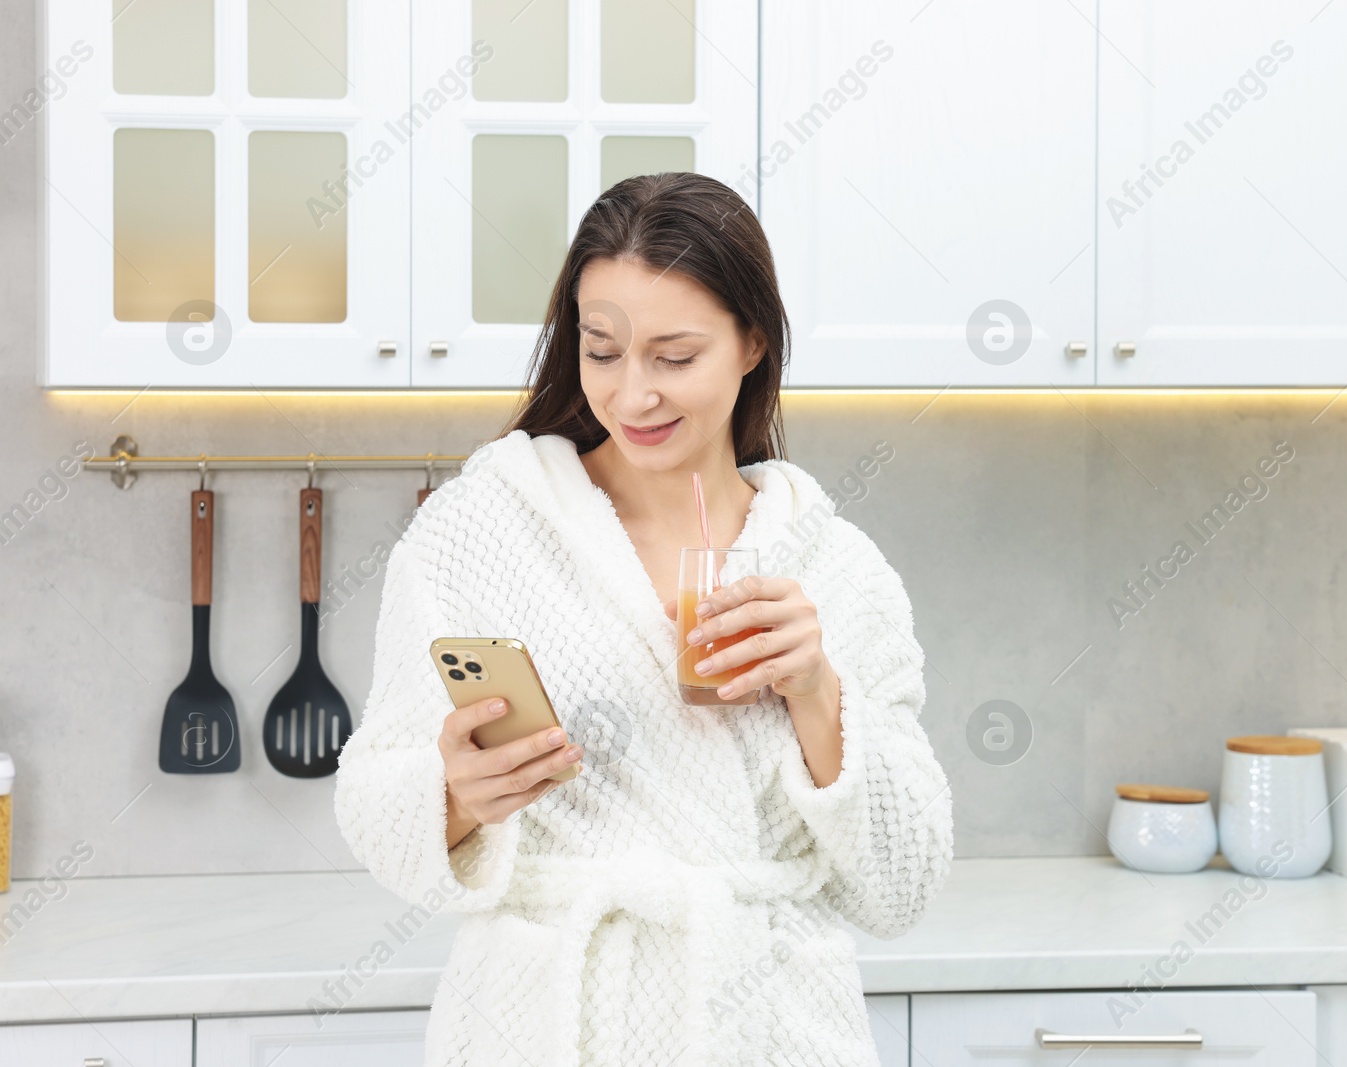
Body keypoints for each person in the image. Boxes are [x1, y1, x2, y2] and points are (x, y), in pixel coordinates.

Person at [333, 172, 954, 1067]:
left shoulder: (832, 566)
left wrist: (817, 692)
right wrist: (456, 798)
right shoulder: (481, 528)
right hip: (546, 1022)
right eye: (602, 349)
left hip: (768, 1022)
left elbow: (902, 886)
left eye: (674, 356)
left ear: (751, 343)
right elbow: (373, 803)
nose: (632, 396)